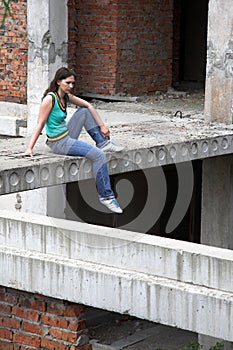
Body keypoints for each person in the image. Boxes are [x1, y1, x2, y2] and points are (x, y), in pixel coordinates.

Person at [20, 67, 124, 214]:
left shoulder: (66, 96)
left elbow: (89, 105)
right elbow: (40, 124)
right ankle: (106, 196)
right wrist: (29, 148)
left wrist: (102, 126)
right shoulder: (50, 99)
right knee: (98, 155)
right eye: (68, 83)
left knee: (84, 112)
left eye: (72, 83)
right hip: (58, 143)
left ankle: (103, 143)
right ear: (58, 82)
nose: (71, 86)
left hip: (67, 136)